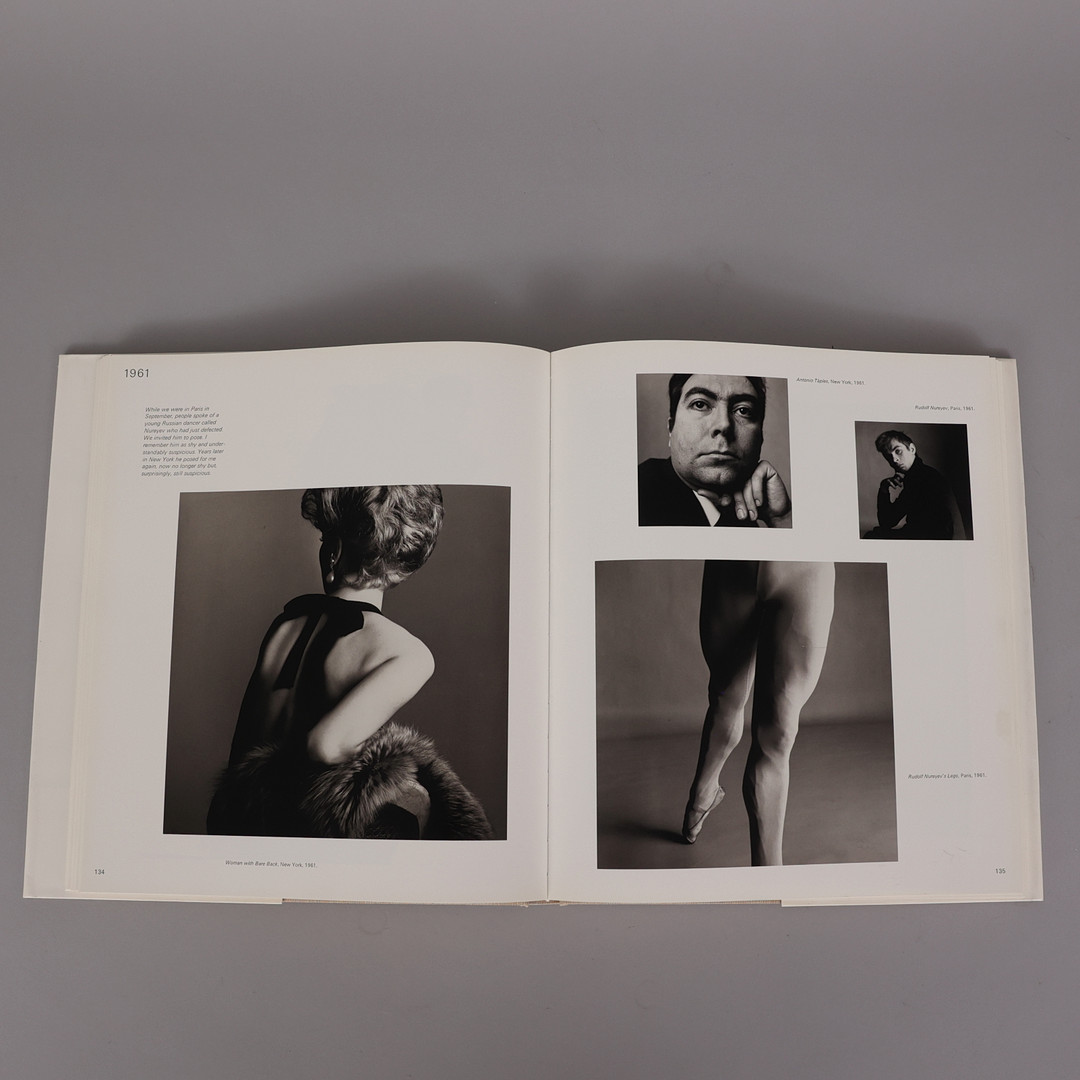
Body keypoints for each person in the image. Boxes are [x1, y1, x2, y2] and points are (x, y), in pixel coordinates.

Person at [206, 486, 492, 840]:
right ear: (404, 562)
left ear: (334, 551)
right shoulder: (407, 652)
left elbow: (243, 750)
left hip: (246, 822)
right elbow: (325, 746)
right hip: (311, 828)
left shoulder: (285, 624)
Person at [681, 560, 835, 866]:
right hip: (733, 563)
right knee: (725, 697)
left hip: (805, 569)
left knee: (777, 734)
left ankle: (769, 879)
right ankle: (703, 793)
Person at [638, 373, 791, 527]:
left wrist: (781, 518)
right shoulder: (634, 495)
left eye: (743, 410)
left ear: (761, 437)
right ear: (671, 429)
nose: (724, 425)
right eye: (700, 404)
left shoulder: (749, 510)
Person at [864, 430, 955, 540]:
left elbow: (888, 521)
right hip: (922, 535)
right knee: (874, 535)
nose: (894, 460)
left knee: (872, 536)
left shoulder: (924, 477)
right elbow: (888, 521)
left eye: (898, 451)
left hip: (930, 540)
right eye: (888, 456)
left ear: (912, 449)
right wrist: (884, 488)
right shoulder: (916, 476)